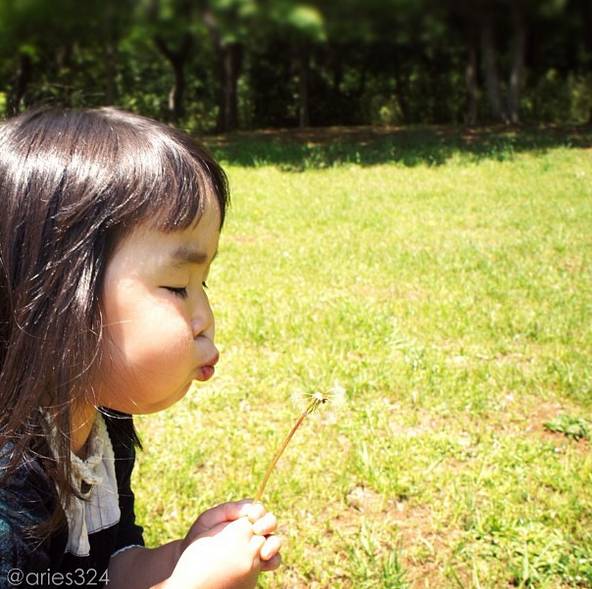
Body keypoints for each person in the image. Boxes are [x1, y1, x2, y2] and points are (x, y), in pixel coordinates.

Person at [0, 107, 282, 588]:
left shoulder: (99, 426)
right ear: (59, 299)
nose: (205, 319)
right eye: (177, 286)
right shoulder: (9, 483)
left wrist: (183, 559)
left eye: (203, 282)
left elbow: (101, 574)